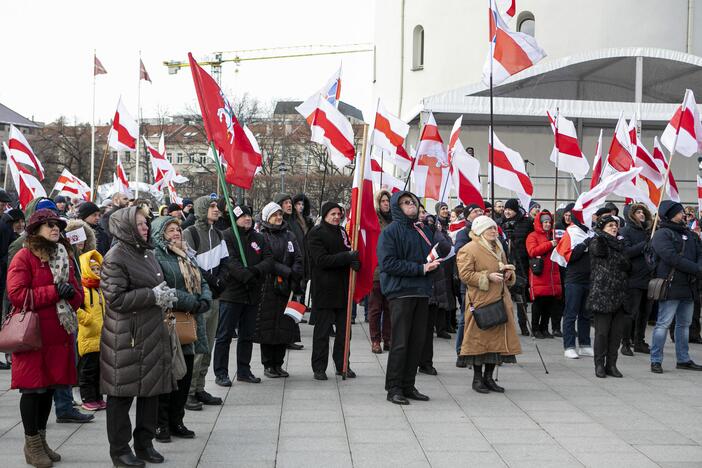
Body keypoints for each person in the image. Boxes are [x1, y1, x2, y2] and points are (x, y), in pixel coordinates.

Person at [6, 209, 85, 467]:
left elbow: (78, 295)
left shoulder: (64, 254)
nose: (55, 229)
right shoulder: (24, 256)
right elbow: (17, 294)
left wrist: (69, 293)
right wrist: (53, 292)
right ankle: (32, 444)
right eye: (49, 225)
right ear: (35, 229)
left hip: (58, 334)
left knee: (49, 389)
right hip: (32, 336)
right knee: (32, 390)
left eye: (57, 225)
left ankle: (41, 440)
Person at [101, 206, 177, 467]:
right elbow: (115, 298)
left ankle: (144, 443)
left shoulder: (146, 252)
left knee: (151, 391)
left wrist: (164, 294)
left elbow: (153, 285)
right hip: (127, 335)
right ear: (127, 227)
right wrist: (153, 296)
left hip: (152, 330)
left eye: (146, 223)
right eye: (141, 224)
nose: (146, 227)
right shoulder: (115, 256)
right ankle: (120, 450)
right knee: (121, 395)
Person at [377, 191, 447, 405]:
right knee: (400, 342)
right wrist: (421, 268)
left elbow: (429, 258)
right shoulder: (390, 232)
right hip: (401, 292)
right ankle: (394, 387)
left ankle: (408, 384)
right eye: (406, 203)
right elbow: (388, 263)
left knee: (417, 341)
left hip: (421, 291)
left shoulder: (423, 230)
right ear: (398, 207)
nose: (411, 205)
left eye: (413, 202)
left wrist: (434, 262)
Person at [151, 215, 212, 442]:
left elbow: (202, 280)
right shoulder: (156, 256)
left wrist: (205, 298)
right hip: (169, 322)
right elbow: (161, 287)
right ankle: (161, 424)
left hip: (190, 322)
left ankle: (178, 421)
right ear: (160, 234)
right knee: (169, 376)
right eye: (170, 230)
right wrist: (190, 301)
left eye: (177, 229)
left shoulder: (187, 254)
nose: (176, 233)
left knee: (185, 375)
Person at [456, 215, 522, 394]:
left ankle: (489, 377)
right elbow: (465, 275)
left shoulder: (499, 247)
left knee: (497, 341)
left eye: (494, 228)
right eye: (489, 229)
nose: (494, 231)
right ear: (480, 231)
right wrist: (487, 277)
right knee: (479, 340)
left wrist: (508, 274)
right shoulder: (468, 249)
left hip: (500, 298)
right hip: (481, 300)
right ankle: (477, 379)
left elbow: (506, 266)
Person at [215, 205, 272, 386]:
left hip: (252, 293)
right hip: (232, 294)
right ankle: (221, 372)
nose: (247, 219)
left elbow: (268, 260)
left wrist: (254, 271)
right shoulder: (227, 236)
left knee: (247, 335)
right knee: (224, 335)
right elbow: (230, 261)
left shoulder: (259, 238)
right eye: (242, 216)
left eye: (249, 215)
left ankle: (244, 370)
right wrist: (246, 276)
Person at [183, 196, 229, 409]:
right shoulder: (190, 233)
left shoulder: (218, 234)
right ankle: (189, 391)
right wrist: (211, 281)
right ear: (202, 209)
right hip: (201, 297)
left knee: (209, 344)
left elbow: (225, 261)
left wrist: (222, 281)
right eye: (211, 207)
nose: (216, 210)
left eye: (216, 207)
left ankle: (200, 387)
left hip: (215, 296)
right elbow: (191, 264)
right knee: (198, 346)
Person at [308, 201, 359, 381]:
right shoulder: (316, 233)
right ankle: (319, 367)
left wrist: (353, 261)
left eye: (339, 214)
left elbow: (347, 251)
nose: (337, 217)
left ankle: (343, 364)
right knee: (322, 332)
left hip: (343, 289)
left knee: (345, 333)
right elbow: (321, 260)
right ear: (325, 215)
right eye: (333, 214)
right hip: (324, 289)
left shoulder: (342, 231)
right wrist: (346, 257)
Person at [650, 200, 702, 374]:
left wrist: (699, 267)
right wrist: (696, 269)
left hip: (689, 286)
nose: (684, 216)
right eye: (680, 213)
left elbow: (700, 253)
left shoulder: (690, 234)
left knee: (684, 325)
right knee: (663, 324)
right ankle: (656, 360)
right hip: (671, 286)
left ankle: (683, 359)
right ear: (671, 215)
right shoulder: (662, 234)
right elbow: (671, 258)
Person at [257, 202, 304, 377]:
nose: (278, 218)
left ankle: (279, 363)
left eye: (280, 214)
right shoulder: (262, 236)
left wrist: (295, 273)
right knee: (269, 326)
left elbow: (298, 257)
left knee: (284, 326)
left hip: (287, 287)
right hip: (269, 286)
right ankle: (268, 364)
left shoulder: (289, 235)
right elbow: (266, 260)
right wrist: (286, 271)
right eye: (274, 215)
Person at [587, 215, 630, 378]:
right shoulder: (599, 242)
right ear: (602, 228)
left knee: (616, 334)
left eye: (616, 225)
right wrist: (603, 237)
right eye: (610, 225)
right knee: (602, 333)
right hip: (603, 295)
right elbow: (610, 259)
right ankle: (599, 364)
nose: (614, 228)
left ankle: (611, 364)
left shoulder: (621, 244)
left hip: (620, 294)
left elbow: (627, 265)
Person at [418, 214, 453, 375]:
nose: (424, 218)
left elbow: (446, 248)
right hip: (416, 288)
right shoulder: (411, 232)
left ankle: (426, 362)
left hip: (433, 288)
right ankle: (412, 361)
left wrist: (436, 231)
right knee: (414, 330)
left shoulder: (434, 232)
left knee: (427, 330)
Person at [620, 203, 653, 355]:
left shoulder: (649, 231)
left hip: (649, 277)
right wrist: (643, 245)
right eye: (638, 212)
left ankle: (639, 341)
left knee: (644, 313)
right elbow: (626, 252)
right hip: (633, 278)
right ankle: (625, 343)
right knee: (630, 313)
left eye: (643, 212)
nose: (641, 215)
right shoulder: (626, 231)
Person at [274, 193, 305, 350]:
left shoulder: (296, 221)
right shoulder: (280, 224)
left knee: (293, 305)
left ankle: (291, 337)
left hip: (296, 269)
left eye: (290, 202)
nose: (289, 205)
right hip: (283, 272)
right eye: (285, 203)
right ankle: (285, 338)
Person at [76, 250, 106, 412]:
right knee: (88, 370)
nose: (96, 272)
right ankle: (87, 398)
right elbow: (76, 308)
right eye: (93, 270)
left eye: (98, 269)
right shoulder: (83, 289)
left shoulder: (101, 288)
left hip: (102, 337)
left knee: (100, 371)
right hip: (88, 336)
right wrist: (88, 320)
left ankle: (98, 397)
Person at [526, 210, 562, 338]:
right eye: (545, 222)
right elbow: (532, 251)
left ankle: (544, 328)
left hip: (553, 274)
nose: (547, 224)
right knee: (539, 304)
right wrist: (549, 244)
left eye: (549, 222)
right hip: (540, 274)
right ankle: (535, 328)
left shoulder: (553, 235)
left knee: (549, 304)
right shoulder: (533, 236)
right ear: (540, 223)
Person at [368, 190, 393, 354]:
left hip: (392, 270)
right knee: (376, 308)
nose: (386, 203)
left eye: (388, 200)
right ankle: (375, 340)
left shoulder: (395, 219)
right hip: (376, 270)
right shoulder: (374, 220)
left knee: (389, 307)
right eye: (383, 200)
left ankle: (388, 339)